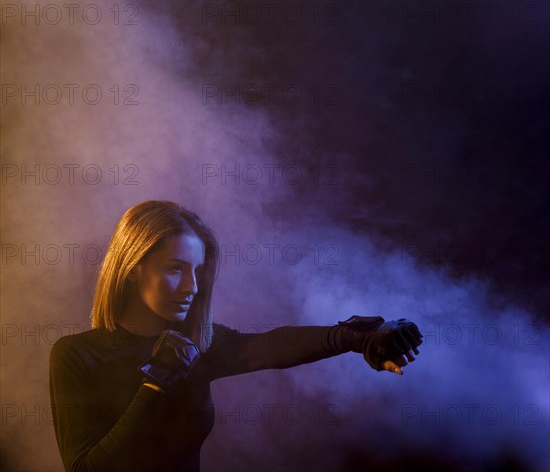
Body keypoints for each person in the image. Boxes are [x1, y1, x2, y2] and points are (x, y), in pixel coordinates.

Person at [49, 200, 423, 472]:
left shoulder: (195, 346)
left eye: (197, 271)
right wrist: (155, 384)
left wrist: (360, 337)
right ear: (132, 269)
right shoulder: (76, 355)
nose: (191, 287)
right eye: (175, 269)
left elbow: (266, 346)